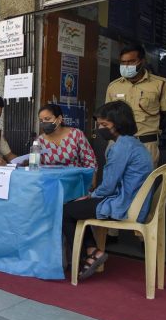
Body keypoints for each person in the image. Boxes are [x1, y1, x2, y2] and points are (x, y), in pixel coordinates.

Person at [62, 101, 152, 280]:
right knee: (76, 207)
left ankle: (88, 255)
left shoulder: (121, 147)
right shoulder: (133, 143)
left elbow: (108, 186)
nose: (99, 128)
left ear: (118, 124)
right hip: (135, 202)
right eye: (99, 124)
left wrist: (90, 196)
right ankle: (92, 251)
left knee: (67, 210)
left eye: (104, 125)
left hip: (125, 205)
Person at [105, 43, 166, 168]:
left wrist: (149, 128)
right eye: (123, 62)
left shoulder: (160, 84)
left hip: (146, 145)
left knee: (144, 186)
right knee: (114, 184)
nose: (126, 66)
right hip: (118, 143)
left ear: (142, 61)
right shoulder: (113, 86)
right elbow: (107, 115)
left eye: (131, 62)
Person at [37, 103, 97, 170]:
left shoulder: (76, 135)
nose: (44, 123)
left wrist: (91, 180)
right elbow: (36, 166)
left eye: (47, 119)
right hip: (50, 179)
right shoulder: (40, 140)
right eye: (41, 120)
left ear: (59, 119)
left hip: (74, 178)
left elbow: (90, 163)